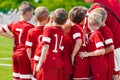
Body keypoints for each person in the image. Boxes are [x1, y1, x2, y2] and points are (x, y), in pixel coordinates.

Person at [84, 0, 120, 79]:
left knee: (113, 74)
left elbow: (87, 29)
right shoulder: (113, 1)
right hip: (116, 40)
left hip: (113, 44)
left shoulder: (95, 8)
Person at [0, 1, 34, 80]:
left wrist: (11, 37)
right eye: (32, 14)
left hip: (15, 54)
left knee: (16, 77)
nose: (32, 16)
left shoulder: (13, 23)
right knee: (25, 78)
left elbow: (1, 31)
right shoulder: (30, 27)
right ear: (28, 13)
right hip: (24, 55)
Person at [36, 8, 68, 80]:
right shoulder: (62, 31)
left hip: (49, 62)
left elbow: (46, 46)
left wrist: (40, 63)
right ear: (64, 22)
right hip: (58, 62)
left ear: (52, 18)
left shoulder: (49, 29)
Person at [80, 12, 108, 80]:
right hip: (96, 65)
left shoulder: (96, 34)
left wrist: (87, 54)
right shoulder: (93, 33)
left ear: (89, 23)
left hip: (99, 65)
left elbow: (102, 50)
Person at [91, 8, 115, 80]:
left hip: (107, 61)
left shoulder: (105, 30)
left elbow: (111, 47)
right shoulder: (100, 30)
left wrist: (100, 52)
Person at [25, 7, 49, 80]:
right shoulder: (49, 30)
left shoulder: (31, 31)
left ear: (35, 17)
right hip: (47, 59)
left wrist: (30, 60)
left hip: (35, 60)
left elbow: (28, 49)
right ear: (47, 18)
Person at [69, 6, 90, 80]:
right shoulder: (81, 28)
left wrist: (72, 55)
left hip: (79, 58)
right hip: (84, 58)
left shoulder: (75, 28)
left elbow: (79, 41)